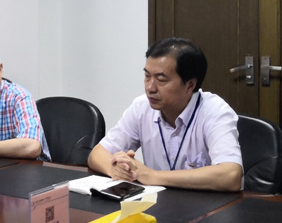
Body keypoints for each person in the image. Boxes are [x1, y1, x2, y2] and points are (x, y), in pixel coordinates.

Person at [88, 38, 242, 191]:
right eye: (147, 76)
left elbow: (231, 175)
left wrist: (151, 176)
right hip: (158, 202)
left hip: (207, 203)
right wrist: (116, 169)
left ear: (190, 85)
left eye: (161, 79)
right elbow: (97, 154)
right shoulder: (141, 107)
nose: (150, 88)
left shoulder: (215, 111)